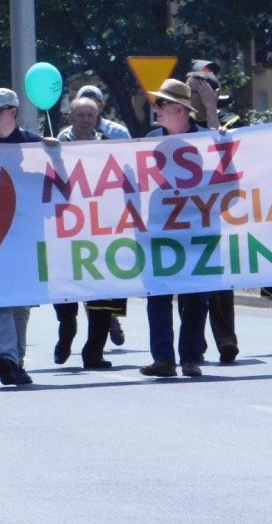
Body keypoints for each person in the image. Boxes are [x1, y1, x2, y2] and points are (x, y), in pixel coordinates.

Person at [0, 87, 50, 385]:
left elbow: (58, 186)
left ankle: (15, 361)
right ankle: (6, 355)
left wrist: (56, 154)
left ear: (13, 113)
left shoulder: (36, 146)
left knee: (21, 304)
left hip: (28, 237)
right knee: (0, 300)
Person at [139, 79, 209, 378]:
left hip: (198, 228)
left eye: (161, 104)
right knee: (158, 294)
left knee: (196, 296)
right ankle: (164, 359)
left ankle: (191, 357)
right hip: (160, 227)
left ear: (178, 109)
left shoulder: (207, 140)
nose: (156, 110)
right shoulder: (150, 140)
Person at [53, 97, 127, 369]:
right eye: (81, 115)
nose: (86, 120)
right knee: (65, 298)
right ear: (70, 117)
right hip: (66, 232)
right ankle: (66, 332)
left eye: (91, 115)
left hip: (102, 230)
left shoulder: (109, 148)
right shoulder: (55, 146)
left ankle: (93, 352)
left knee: (104, 295)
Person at [185, 64, 242, 363]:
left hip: (216, 212)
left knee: (219, 283)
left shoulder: (230, 120)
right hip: (182, 213)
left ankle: (226, 340)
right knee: (189, 283)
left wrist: (210, 109)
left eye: (194, 91)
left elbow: (219, 150)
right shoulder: (179, 122)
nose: (188, 96)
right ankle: (195, 343)